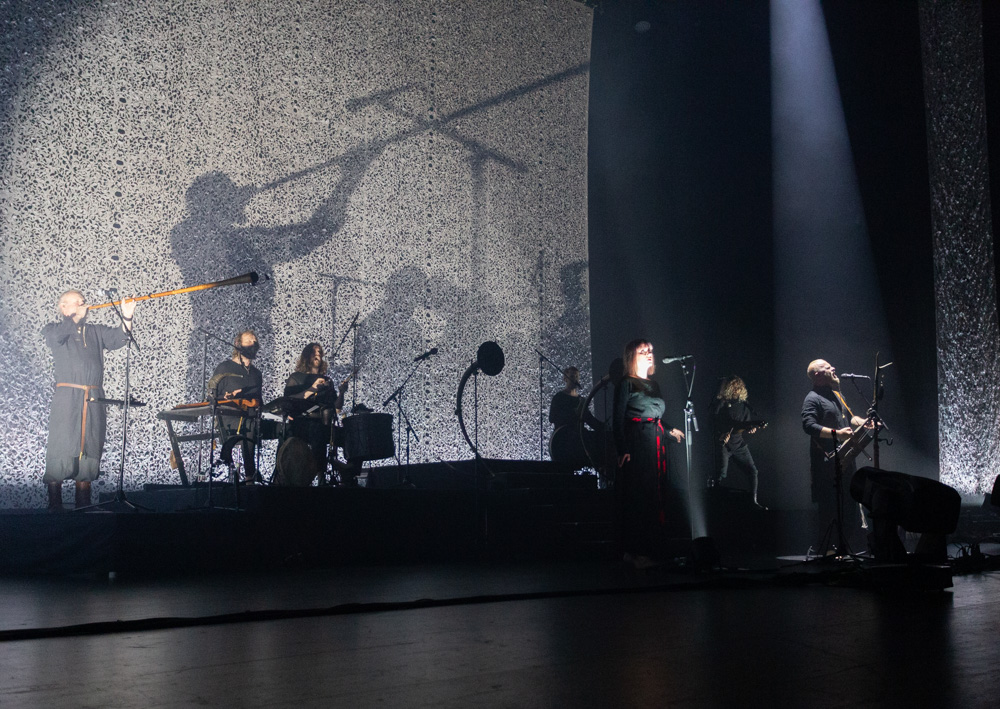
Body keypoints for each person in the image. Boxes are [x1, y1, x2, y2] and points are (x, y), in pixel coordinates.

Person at [42, 289, 137, 511]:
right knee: (62, 443)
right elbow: (57, 337)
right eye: (78, 302)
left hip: (94, 398)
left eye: (84, 302)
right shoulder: (53, 330)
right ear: (63, 307)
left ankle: (83, 505)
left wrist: (127, 316)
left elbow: (119, 338)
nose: (84, 305)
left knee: (90, 443)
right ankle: (54, 506)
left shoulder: (94, 331)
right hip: (67, 398)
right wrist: (74, 317)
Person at [612, 339, 684, 568]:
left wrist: (670, 428)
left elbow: (656, 414)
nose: (649, 353)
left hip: (655, 442)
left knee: (656, 495)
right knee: (639, 496)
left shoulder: (653, 385)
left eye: (651, 350)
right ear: (632, 356)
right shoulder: (626, 383)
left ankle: (654, 548)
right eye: (643, 351)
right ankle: (635, 552)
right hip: (637, 443)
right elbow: (617, 419)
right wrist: (622, 449)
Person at [802, 359, 870, 555]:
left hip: (846, 458)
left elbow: (848, 418)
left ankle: (846, 549)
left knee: (848, 503)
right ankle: (827, 549)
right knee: (831, 506)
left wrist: (863, 422)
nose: (833, 368)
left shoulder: (836, 394)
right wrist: (837, 434)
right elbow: (808, 426)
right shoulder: (812, 398)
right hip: (827, 463)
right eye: (827, 367)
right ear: (817, 375)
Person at [281, 343, 348, 483]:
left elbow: (336, 408)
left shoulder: (327, 380)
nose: (317, 354)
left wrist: (341, 393)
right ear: (306, 356)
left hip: (324, 424)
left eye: (319, 352)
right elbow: (288, 401)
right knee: (317, 430)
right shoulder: (296, 378)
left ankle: (349, 473)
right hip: (302, 423)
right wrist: (312, 388)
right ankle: (320, 476)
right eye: (313, 352)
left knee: (348, 434)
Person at [210, 330, 263, 483]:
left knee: (282, 428)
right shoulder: (224, 368)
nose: (253, 344)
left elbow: (259, 399)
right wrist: (225, 397)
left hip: (251, 415)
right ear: (238, 345)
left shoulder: (256, 374)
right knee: (250, 426)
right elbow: (210, 396)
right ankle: (249, 475)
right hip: (228, 417)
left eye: (255, 341)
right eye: (248, 341)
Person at [710, 376, 767, 509]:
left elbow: (744, 425)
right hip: (724, 444)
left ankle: (753, 501)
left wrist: (751, 428)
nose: (737, 390)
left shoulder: (744, 406)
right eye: (734, 387)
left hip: (738, 444)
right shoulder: (722, 404)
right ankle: (715, 503)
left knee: (752, 471)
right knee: (720, 474)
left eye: (739, 387)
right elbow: (715, 422)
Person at [548, 366, 602, 466]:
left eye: (577, 376)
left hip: (579, 440)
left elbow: (589, 419)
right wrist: (573, 413)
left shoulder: (581, 400)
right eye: (572, 376)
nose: (575, 379)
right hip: (563, 440)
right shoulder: (559, 397)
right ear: (565, 378)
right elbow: (552, 418)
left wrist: (603, 427)